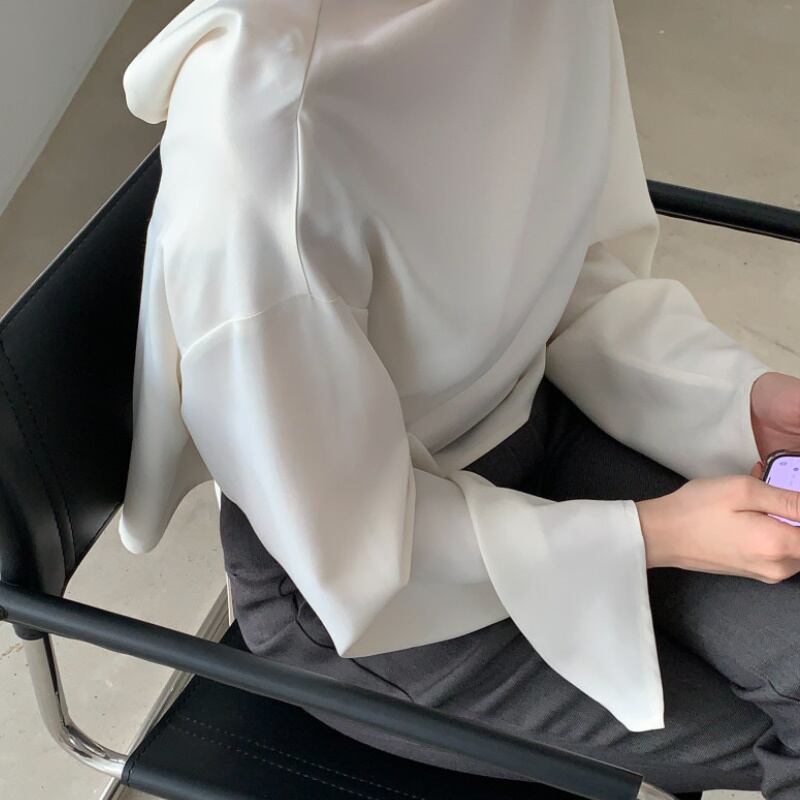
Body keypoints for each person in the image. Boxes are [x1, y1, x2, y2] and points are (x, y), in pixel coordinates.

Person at [118, 1, 800, 795]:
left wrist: (736, 398)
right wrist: (656, 533)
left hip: (537, 417)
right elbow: (356, 552)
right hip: (368, 595)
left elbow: (567, 267)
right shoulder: (259, 143)